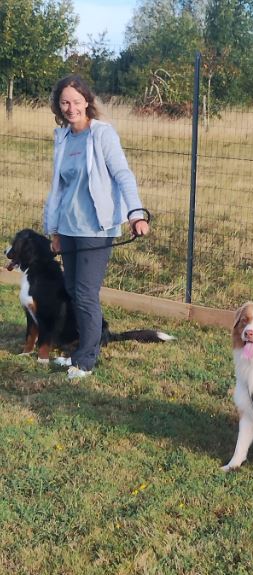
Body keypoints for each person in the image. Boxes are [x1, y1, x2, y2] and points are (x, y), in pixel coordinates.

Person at [43, 74, 150, 380]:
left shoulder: (102, 134)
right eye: (65, 102)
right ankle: (80, 349)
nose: (71, 108)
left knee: (86, 293)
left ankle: (86, 360)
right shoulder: (63, 137)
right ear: (58, 105)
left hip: (95, 229)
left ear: (87, 101)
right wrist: (54, 230)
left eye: (76, 101)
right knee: (73, 291)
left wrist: (136, 214)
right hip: (68, 228)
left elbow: (123, 174)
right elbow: (58, 188)